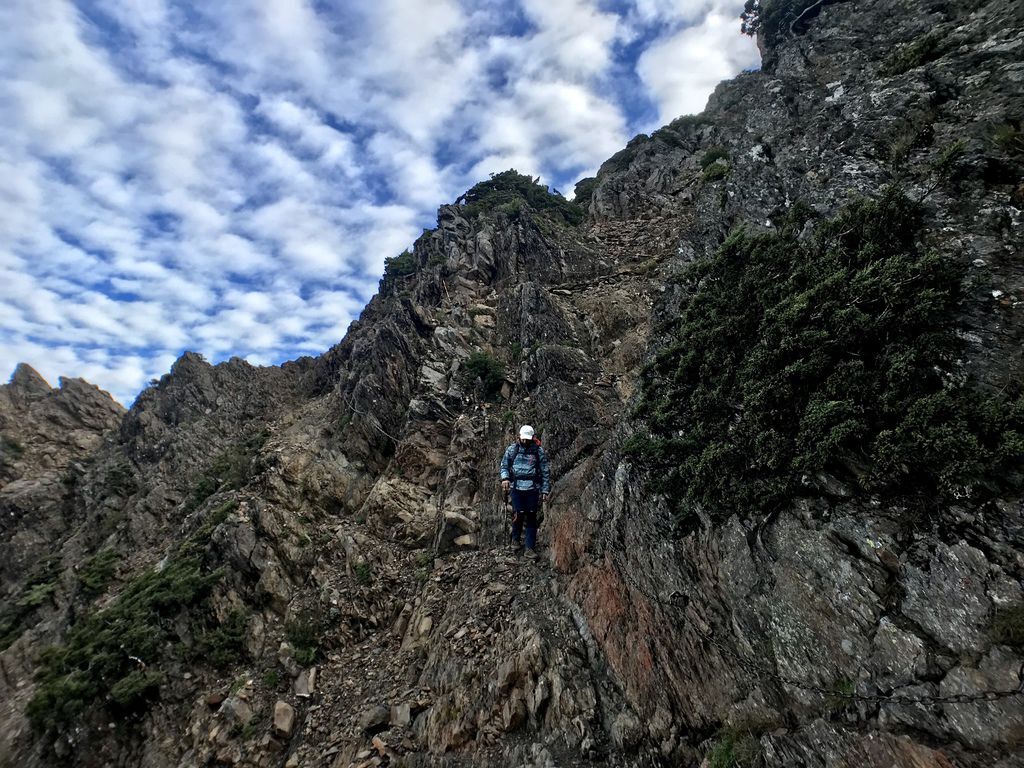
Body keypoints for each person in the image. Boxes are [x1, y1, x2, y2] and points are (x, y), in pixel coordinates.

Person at [499, 425, 550, 558]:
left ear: (533, 438)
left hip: (532, 488)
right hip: (516, 487)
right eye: (523, 439)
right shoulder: (512, 450)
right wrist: (505, 479)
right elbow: (504, 465)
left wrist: (545, 490)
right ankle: (515, 539)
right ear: (519, 437)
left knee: (531, 516)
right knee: (519, 513)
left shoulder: (539, 452)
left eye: (528, 439)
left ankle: (529, 547)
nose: (525, 442)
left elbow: (545, 471)